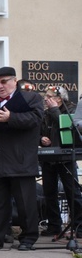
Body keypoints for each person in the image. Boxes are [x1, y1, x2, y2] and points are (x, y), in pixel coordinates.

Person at [0, 66, 44, 251]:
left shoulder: (31, 98)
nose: (0, 86)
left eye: (4, 81)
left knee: (25, 203)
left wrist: (10, 117)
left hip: (20, 160)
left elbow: (36, 119)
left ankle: (28, 237)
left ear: (15, 81)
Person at [39, 85, 82, 237]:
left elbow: (68, 127)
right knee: (49, 193)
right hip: (49, 157)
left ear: (59, 99)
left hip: (66, 158)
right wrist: (41, 138)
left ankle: (79, 226)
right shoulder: (45, 113)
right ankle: (54, 225)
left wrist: (54, 110)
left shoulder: (71, 110)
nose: (45, 99)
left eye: (49, 97)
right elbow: (39, 131)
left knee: (73, 192)